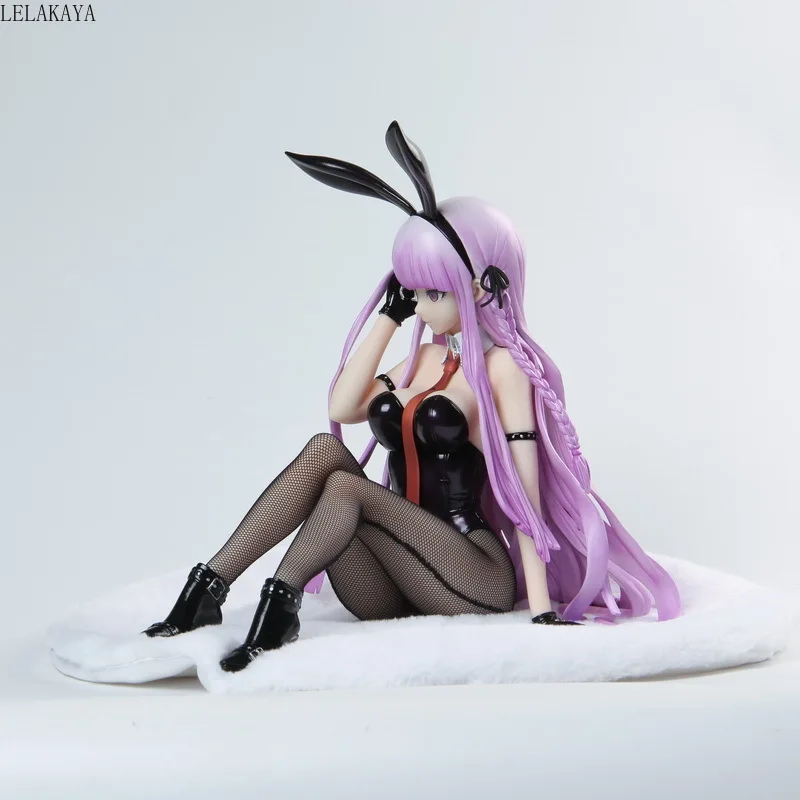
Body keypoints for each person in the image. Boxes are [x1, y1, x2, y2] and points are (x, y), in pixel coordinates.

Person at [143, 121, 682, 674]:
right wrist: (388, 317)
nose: (420, 304)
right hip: (392, 582)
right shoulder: (421, 359)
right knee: (325, 453)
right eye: (413, 290)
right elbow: (342, 408)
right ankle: (208, 588)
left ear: (481, 287)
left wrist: (541, 608)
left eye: (432, 292)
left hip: (471, 575)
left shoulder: (503, 370)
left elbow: (524, 491)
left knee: (346, 488)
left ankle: (276, 611)